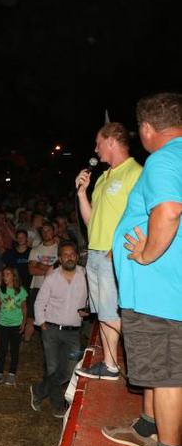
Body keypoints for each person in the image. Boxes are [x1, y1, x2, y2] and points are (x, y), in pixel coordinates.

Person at [106, 92, 182, 446]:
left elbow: (169, 209)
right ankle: (148, 427)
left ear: (149, 129)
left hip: (160, 293)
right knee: (157, 369)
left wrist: (148, 254)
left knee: (168, 375)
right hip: (164, 292)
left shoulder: (165, 159)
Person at [74, 122, 143, 381]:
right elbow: (92, 222)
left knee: (114, 313)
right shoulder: (103, 177)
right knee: (104, 313)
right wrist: (82, 194)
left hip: (113, 255)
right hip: (95, 253)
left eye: (98, 143)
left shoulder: (135, 172)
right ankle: (111, 365)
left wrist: (120, 248)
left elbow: (142, 216)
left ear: (112, 140)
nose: (95, 148)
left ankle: (145, 363)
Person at [29, 241, 87, 417]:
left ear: (76, 257)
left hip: (73, 333)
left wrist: (88, 309)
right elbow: (39, 302)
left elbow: (92, 295)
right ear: (60, 258)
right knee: (53, 368)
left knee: (69, 370)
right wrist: (42, 324)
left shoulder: (85, 275)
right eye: (65, 255)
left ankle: (38, 391)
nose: (69, 257)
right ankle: (58, 406)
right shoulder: (52, 277)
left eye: (72, 254)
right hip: (52, 331)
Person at [0, 267, 28, 386]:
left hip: (16, 323)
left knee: (14, 349)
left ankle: (12, 374)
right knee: (2, 349)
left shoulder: (21, 291)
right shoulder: (0, 289)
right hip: (3, 323)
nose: (5, 277)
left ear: (14, 276)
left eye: (8, 274)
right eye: (3, 275)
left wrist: (23, 324)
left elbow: (24, 308)